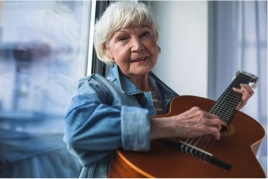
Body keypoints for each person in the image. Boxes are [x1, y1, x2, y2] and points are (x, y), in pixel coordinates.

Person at [64, 1, 254, 178]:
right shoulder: (96, 87)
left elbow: (194, 146)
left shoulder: (174, 100)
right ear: (107, 50)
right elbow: (77, 130)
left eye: (145, 34)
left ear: (156, 40)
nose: (138, 46)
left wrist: (227, 111)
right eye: (123, 38)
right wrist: (174, 125)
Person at [0, 3, 82, 177]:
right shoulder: (24, 88)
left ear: (62, 51)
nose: (21, 46)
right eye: (21, 37)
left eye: (33, 40)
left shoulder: (61, 90)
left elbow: (17, 139)